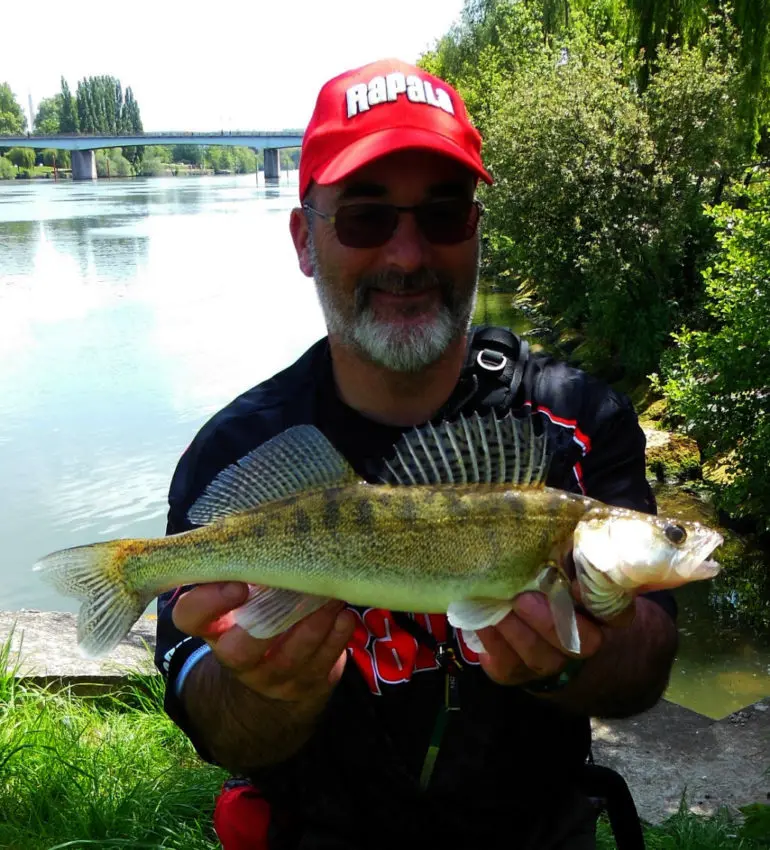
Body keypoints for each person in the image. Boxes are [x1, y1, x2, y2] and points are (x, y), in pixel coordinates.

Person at [154, 58, 678, 850]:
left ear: (475, 231)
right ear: (304, 239)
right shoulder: (239, 448)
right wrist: (267, 693)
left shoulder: (577, 420)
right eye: (365, 218)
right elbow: (214, 725)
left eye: (442, 215)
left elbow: (649, 660)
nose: (406, 255)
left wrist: (573, 660)